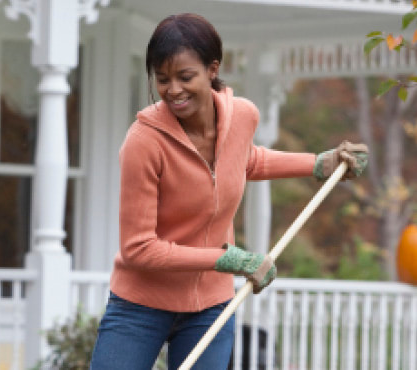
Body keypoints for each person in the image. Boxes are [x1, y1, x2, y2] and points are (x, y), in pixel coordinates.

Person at [89, 13, 368, 370]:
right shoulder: (143, 143)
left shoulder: (242, 117)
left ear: (212, 69)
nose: (173, 89)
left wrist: (317, 164)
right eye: (162, 79)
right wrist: (227, 259)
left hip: (209, 306)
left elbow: (245, 161)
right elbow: (137, 248)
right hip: (141, 305)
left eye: (185, 76)